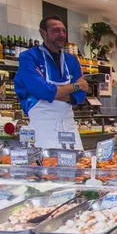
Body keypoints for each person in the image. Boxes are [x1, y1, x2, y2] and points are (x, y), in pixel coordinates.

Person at [15, 15, 88, 149]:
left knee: (78, 165)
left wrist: (54, 93)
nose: (61, 35)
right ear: (43, 33)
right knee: (44, 166)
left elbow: (80, 95)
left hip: (68, 125)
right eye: (56, 30)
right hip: (42, 125)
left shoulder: (71, 60)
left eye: (64, 31)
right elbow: (42, 90)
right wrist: (75, 86)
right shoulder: (29, 57)